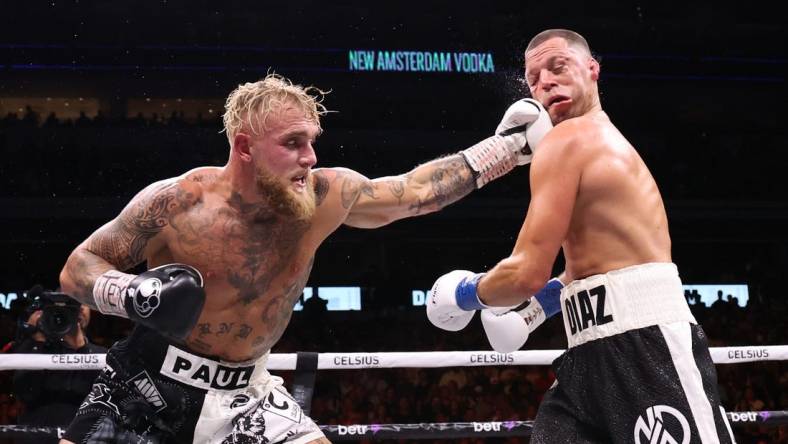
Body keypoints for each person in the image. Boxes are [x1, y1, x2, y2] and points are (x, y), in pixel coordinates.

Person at [57, 73, 552, 443]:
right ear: (245, 147)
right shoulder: (178, 203)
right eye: (293, 143)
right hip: (146, 386)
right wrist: (130, 293)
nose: (309, 157)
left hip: (247, 393)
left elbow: (415, 193)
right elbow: (79, 267)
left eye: (312, 141)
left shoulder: (325, 195)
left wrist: (504, 150)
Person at [427, 29, 736, 443]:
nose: (546, 83)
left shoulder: (567, 142)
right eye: (534, 79)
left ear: (592, 69)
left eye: (557, 67)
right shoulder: (601, 145)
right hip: (587, 358)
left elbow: (525, 272)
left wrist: (465, 293)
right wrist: (532, 313)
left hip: (650, 350)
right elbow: (594, 269)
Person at [9, 287, 106, 444]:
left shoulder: (104, 355)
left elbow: (103, 400)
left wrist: (80, 347)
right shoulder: (33, 349)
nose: (69, 315)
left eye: (78, 306)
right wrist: (38, 339)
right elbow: (25, 393)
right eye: (59, 311)